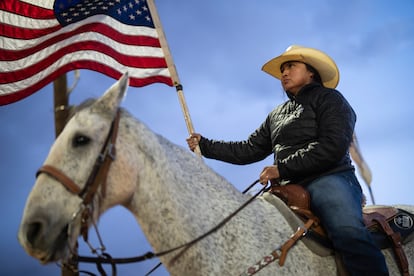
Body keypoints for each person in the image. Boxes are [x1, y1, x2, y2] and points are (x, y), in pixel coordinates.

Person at [186, 45, 389, 275]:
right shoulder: (276, 114)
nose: (284, 73)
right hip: (286, 186)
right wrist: (205, 145)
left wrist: (281, 168)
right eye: (282, 69)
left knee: (348, 232)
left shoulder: (331, 99)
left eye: (291, 66)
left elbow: (332, 146)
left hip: (330, 178)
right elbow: (249, 149)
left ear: (311, 72)